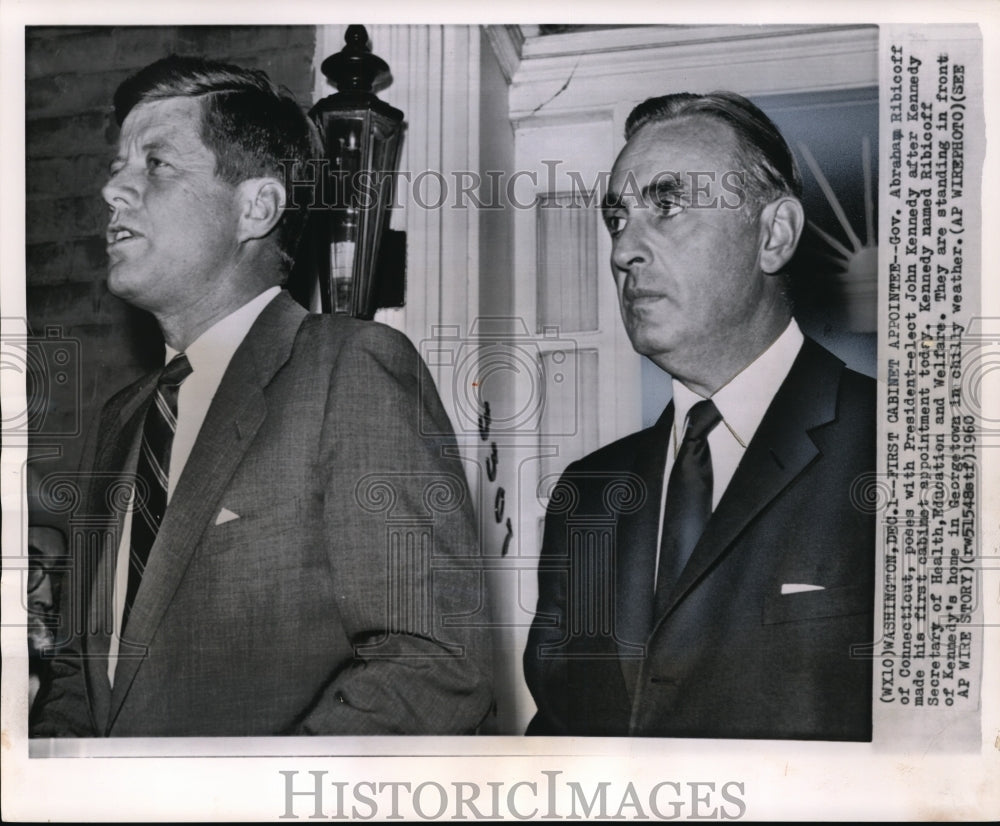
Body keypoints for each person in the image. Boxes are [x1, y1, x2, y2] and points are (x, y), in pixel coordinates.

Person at [30, 55, 492, 737]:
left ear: (257, 206)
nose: (113, 192)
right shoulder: (120, 420)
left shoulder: (351, 371)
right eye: (116, 167)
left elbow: (432, 666)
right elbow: (79, 674)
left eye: (155, 165)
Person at [524, 92, 875, 741]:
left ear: (774, 235)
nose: (624, 249)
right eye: (617, 218)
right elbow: (558, 735)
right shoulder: (588, 494)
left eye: (667, 204)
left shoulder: (900, 450)